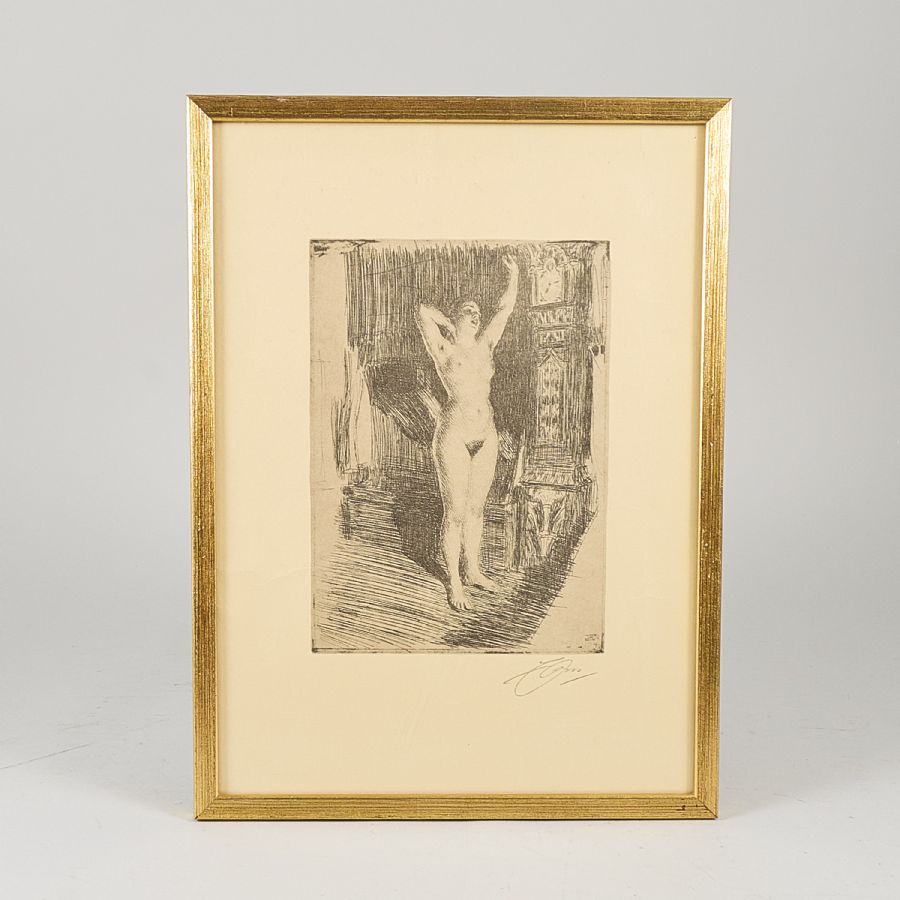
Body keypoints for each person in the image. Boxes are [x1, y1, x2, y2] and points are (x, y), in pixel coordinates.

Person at [416, 255, 519, 610]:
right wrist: (447, 322)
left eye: (477, 311)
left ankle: (473, 570)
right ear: (457, 316)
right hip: (454, 437)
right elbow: (422, 311)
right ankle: (454, 583)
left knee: (476, 510)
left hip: (486, 435)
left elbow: (504, 310)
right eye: (469, 311)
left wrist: (514, 276)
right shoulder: (444, 349)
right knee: (455, 513)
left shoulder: (486, 344)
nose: (476, 315)